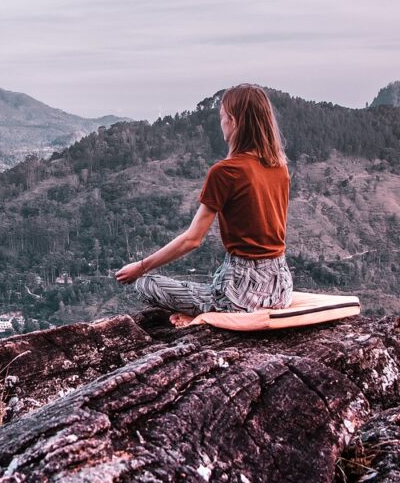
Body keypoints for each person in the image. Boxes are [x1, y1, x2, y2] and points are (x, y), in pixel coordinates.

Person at [115, 84, 293, 327]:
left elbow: (192, 239)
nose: (221, 123)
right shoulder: (279, 167)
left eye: (222, 117)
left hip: (240, 295)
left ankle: (209, 316)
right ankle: (211, 311)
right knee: (209, 284)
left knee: (147, 284)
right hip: (280, 288)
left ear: (233, 121)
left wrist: (141, 266)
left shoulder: (226, 172)